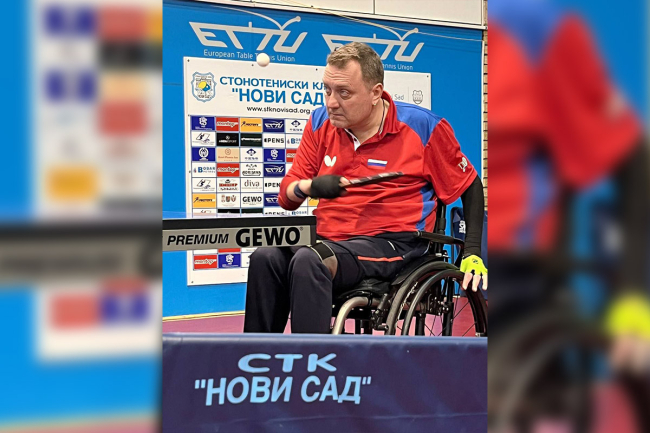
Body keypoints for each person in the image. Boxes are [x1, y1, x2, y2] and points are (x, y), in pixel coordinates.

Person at [243, 42, 486, 334]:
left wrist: (472, 251)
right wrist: (310, 186)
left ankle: (314, 362)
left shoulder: (423, 127)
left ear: (375, 93)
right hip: (329, 238)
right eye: (327, 90)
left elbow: (469, 184)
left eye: (344, 93)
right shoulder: (320, 122)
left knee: (311, 259)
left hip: (393, 243)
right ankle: (257, 358)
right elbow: (286, 197)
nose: (332, 102)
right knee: (266, 257)